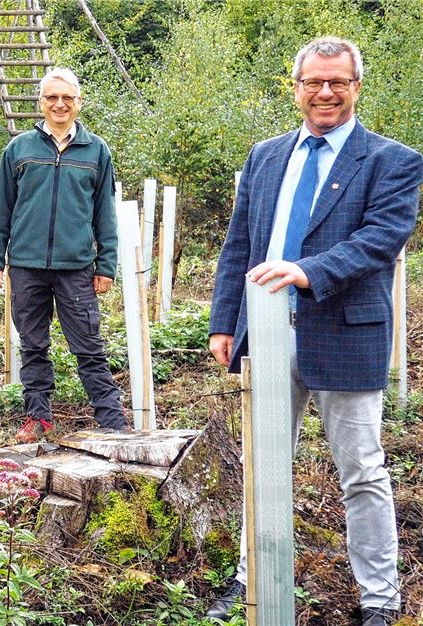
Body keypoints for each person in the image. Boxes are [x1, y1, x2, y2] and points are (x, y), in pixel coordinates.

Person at [207, 37, 422, 625]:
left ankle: (380, 600)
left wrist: (307, 271)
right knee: (263, 464)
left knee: (362, 471)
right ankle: (252, 579)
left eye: (339, 81)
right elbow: (240, 246)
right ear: (295, 86)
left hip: (346, 331)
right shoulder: (265, 156)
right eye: (314, 81)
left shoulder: (392, 161)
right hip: (266, 333)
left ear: (356, 86)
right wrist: (225, 321)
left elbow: (380, 241)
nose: (325, 92)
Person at [0, 66, 128, 443]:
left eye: (67, 98)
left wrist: (106, 264)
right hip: (27, 267)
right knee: (33, 345)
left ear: (78, 103)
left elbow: (104, 213)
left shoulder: (97, 151)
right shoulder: (19, 149)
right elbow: (2, 207)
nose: (59, 104)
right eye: (52, 97)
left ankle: (112, 421)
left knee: (89, 347)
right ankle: (38, 418)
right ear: (41, 103)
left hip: (76, 267)